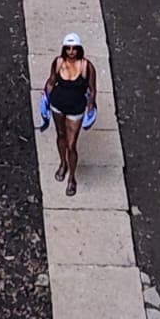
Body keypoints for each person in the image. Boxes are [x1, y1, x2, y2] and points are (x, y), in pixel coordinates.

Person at [42, 32, 97, 197]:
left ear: (79, 49)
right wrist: (45, 99)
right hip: (57, 105)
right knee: (60, 135)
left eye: (74, 48)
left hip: (76, 109)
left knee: (72, 144)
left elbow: (92, 89)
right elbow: (51, 81)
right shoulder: (58, 62)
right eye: (68, 48)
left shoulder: (87, 66)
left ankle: (72, 178)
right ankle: (62, 163)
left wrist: (91, 105)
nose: (71, 51)